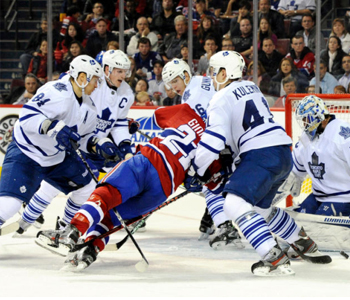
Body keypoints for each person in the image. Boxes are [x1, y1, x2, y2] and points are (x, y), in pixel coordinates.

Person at [35, 58, 216, 270]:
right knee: (113, 218)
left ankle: (72, 231)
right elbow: (202, 176)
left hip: (149, 162)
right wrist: (194, 179)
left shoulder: (185, 110)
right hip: (165, 188)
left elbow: (156, 117)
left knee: (105, 194)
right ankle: (90, 250)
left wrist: (133, 124)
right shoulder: (214, 138)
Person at [194, 50, 331, 276]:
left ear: (224, 72)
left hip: (260, 154)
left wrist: (198, 169)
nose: (211, 76)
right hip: (281, 152)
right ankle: (301, 241)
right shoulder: (253, 88)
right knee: (259, 210)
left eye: (214, 71)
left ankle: (272, 255)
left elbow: (214, 139)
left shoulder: (220, 98)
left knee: (233, 204)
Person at [17, 50, 135, 234]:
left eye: (126, 71)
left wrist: (124, 145)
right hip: (75, 140)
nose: (124, 75)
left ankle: (64, 226)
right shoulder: (93, 82)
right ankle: (26, 220)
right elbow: (68, 85)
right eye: (119, 71)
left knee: (86, 188)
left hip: (95, 144)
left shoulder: (127, 93)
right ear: (107, 69)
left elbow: (118, 122)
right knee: (54, 184)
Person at [0, 55, 114, 234]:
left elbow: (83, 140)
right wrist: (51, 126)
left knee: (87, 187)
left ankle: (64, 229)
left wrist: (97, 144)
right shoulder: (57, 92)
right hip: (28, 152)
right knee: (10, 205)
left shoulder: (90, 108)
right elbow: (26, 118)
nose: (97, 85)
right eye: (95, 80)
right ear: (82, 78)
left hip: (56, 158)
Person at [278, 95, 350, 252]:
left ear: (319, 117)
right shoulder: (307, 138)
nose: (304, 124)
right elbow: (296, 167)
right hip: (317, 196)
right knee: (293, 222)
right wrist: (290, 180)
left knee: (315, 230)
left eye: (307, 119)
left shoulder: (341, 133)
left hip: (343, 198)